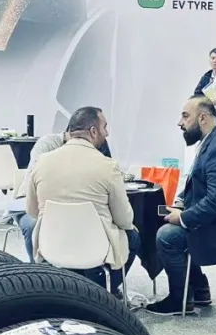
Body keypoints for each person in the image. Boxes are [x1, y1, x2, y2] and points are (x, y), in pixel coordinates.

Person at [146, 96, 216, 315]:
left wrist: (183, 217)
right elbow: (199, 184)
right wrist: (181, 203)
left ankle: (180, 299)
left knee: (166, 236)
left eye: (185, 116)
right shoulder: (215, 140)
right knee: (160, 219)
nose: (180, 123)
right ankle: (199, 289)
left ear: (203, 118)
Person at [24, 107, 139, 291]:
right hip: (95, 249)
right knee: (133, 236)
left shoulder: (42, 162)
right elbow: (125, 220)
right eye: (105, 127)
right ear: (93, 131)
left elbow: (32, 211)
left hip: (52, 246)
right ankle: (102, 292)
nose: (107, 133)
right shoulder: (108, 166)